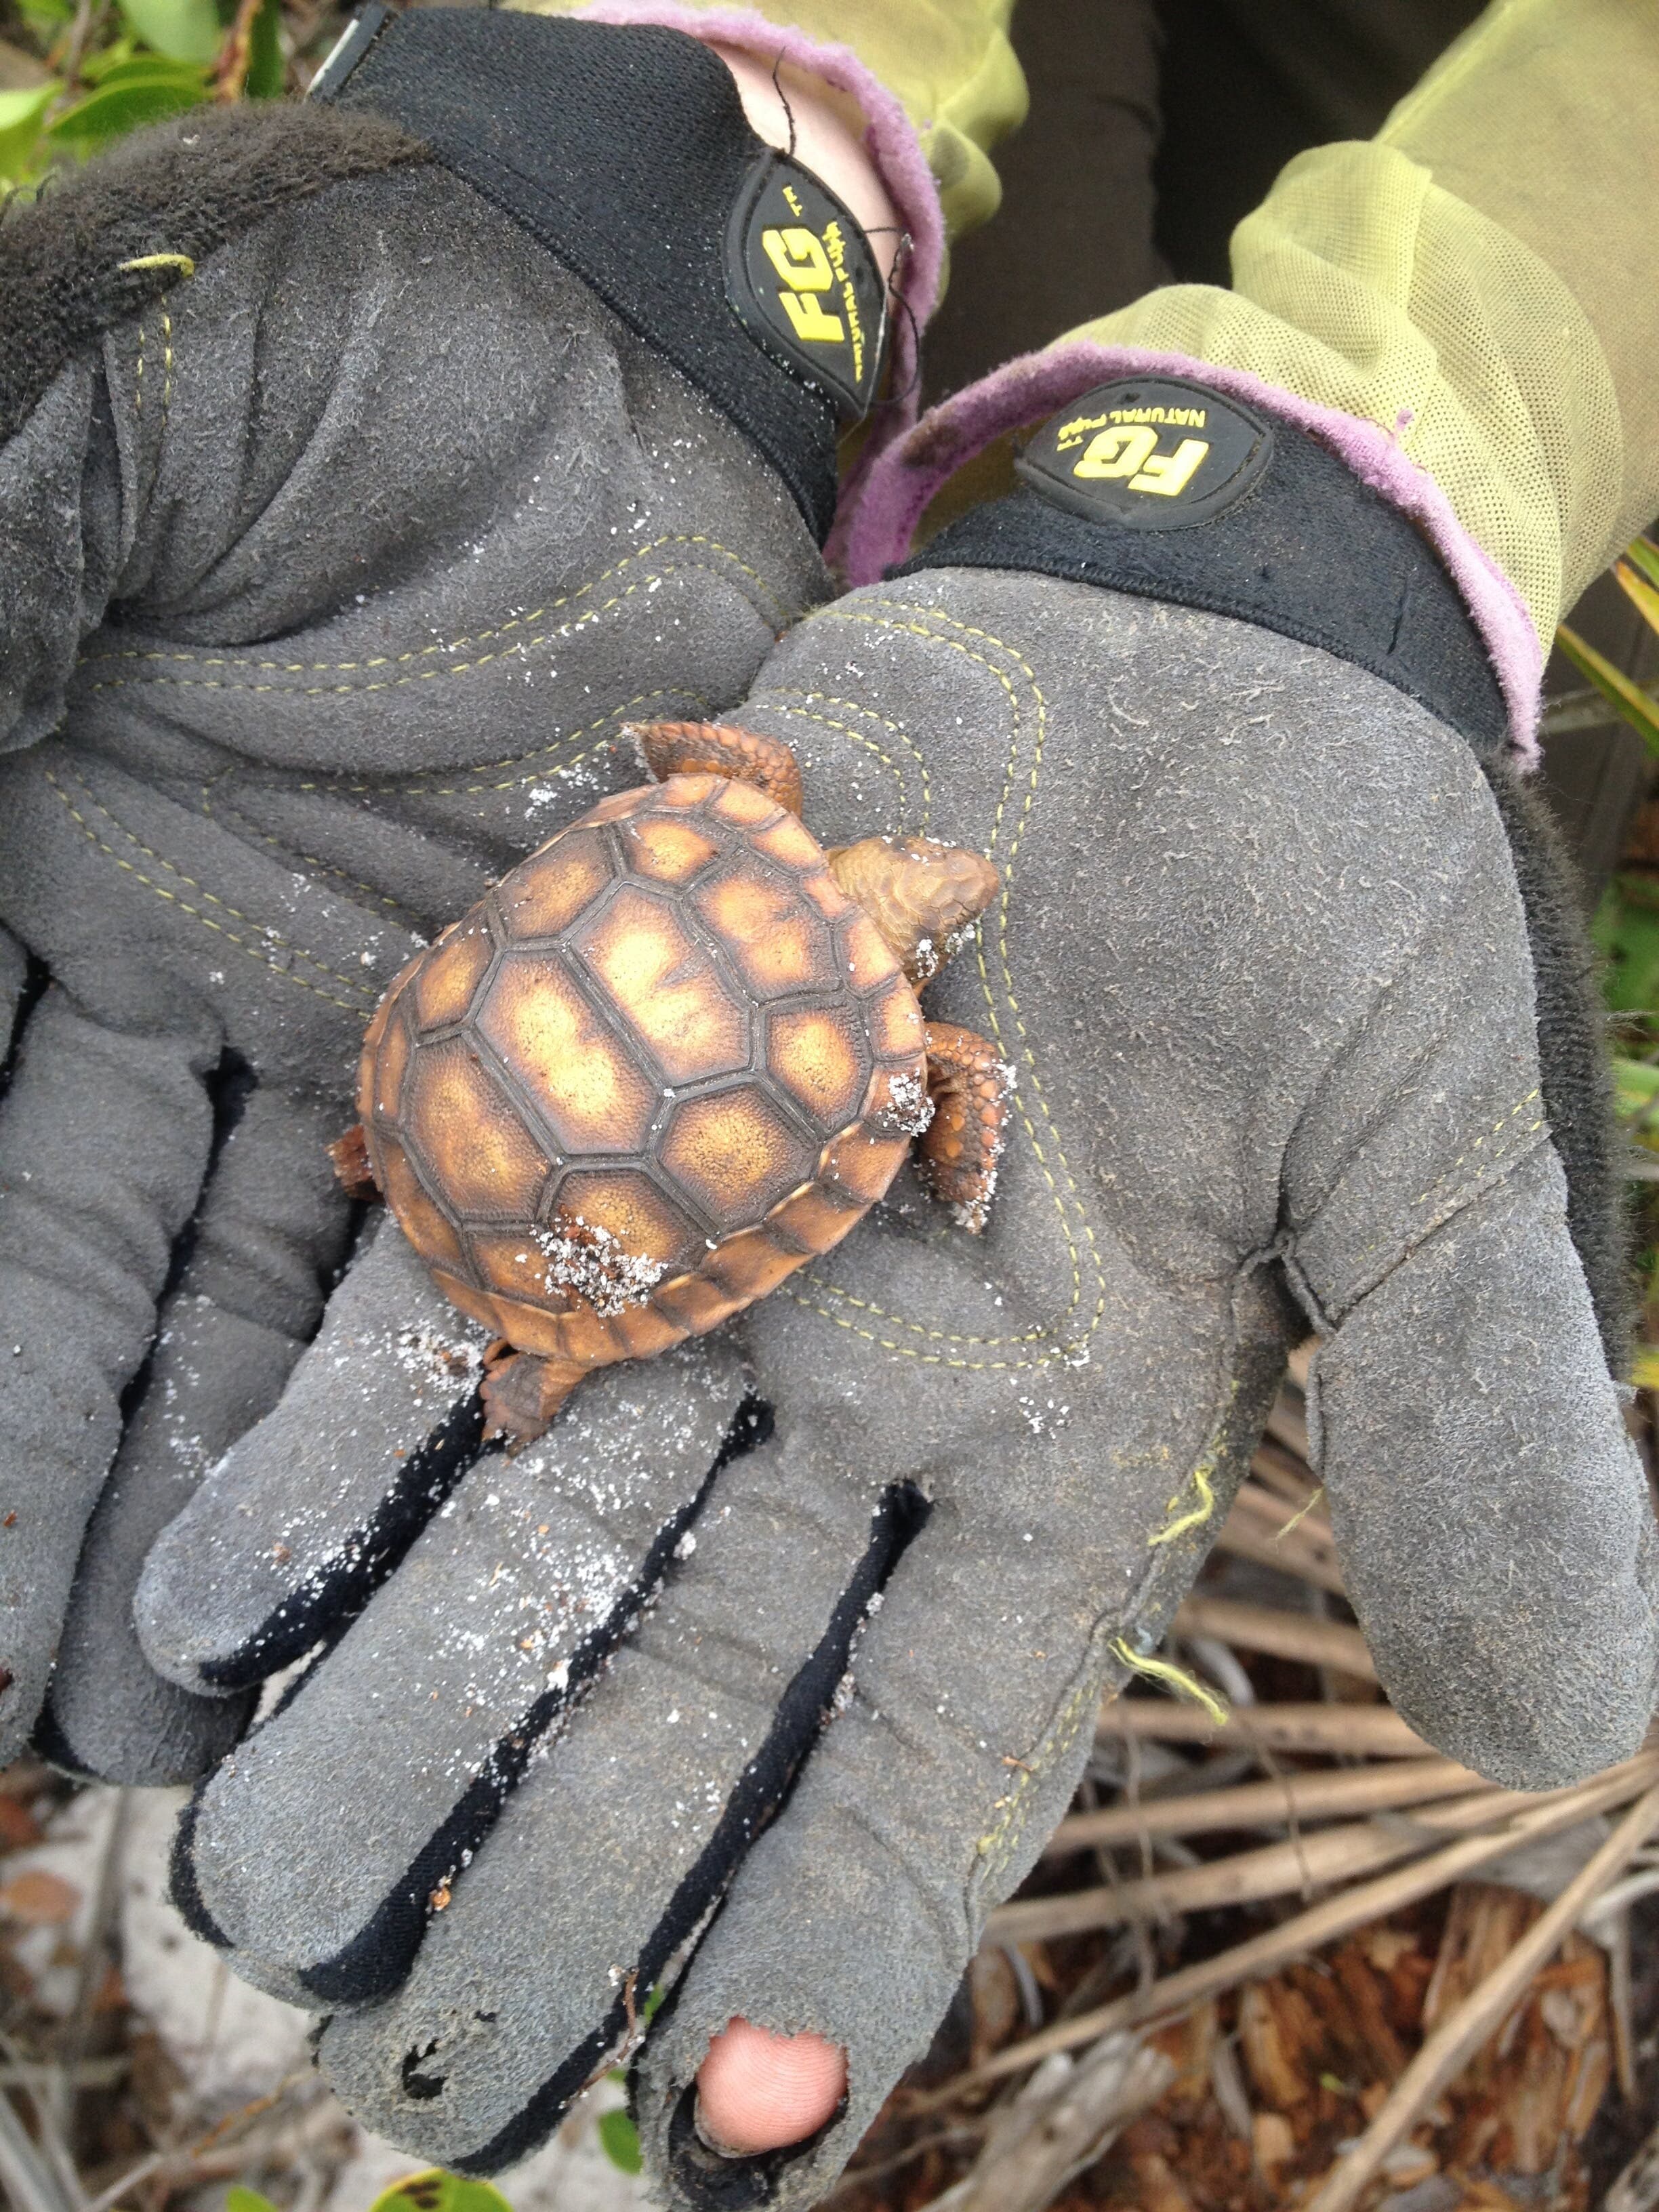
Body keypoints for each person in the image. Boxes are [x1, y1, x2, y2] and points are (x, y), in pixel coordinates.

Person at [0, 1, 1654, 2204]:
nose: (959, 892)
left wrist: (1357, 526)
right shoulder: (903, 1051)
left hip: (502, 1035)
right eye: (945, 887)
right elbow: (920, 1100)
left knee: (1014, 553)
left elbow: (719, 780)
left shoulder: (750, 817)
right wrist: (678, 156)